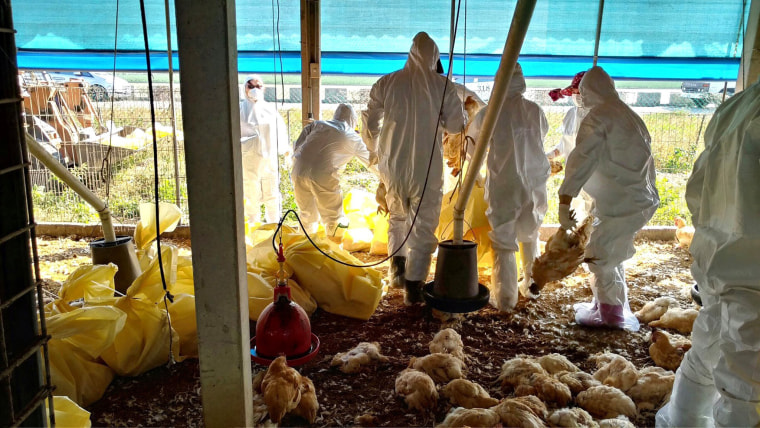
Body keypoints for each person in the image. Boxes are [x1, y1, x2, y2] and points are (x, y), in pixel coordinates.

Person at [655, 77, 760, 427]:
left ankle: (681, 420)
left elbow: (697, 186)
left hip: (719, 262)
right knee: (745, 384)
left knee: (708, 350)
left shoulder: (737, 106)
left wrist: (710, 236)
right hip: (754, 273)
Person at [362, 32, 465, 304]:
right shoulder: (442, 86)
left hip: (393, 165)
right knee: (423, 225)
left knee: (396, 215)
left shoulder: (388, 82)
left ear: (410, 54)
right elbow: (456, 126)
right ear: (434, 58)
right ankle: (413, 288)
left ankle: (396, 272)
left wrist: (376, 152)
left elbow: (369, 122)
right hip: (426, 168)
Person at [557, 66, 659, 331]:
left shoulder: (598, 117)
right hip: (635, 198)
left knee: (599, 254)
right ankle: (607, 305)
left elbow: (582, 160)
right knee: (611, 254)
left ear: (589, 92)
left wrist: (564, 199)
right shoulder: (629, 114)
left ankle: (611, 316)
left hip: (620, 202)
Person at [465, 63, 550, 311]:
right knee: (530, 234)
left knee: (504, 240)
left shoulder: (489, 113)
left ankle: (505, 299)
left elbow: (472, 148)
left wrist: (477, 175)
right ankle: (532, 287)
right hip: (534, 183)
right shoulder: (535, 110)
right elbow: (540, 138)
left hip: (505, 183)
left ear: (498, 81)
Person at [291, 103, 373, 237]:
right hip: (322, 175)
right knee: (333, 218)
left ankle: (303, 251)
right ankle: (332, 252)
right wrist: (387, 179)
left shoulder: (316, 125)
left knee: (307, 215)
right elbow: (371, 161)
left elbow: (297, 147)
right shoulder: (351, 135)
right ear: (353, 120)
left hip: (298, 170)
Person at [239, 74, 290, 225]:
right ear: (244, 88)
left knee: (272, 191)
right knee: (250, 191)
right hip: (248, 159)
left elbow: (280, 129)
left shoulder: (269, 110)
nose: (255, 89)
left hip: (269, 158)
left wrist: (285, 149)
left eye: (258, 86)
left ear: (263, 88)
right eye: (251, 86)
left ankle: (274, 226)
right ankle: (253, 226)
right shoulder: (239, 110)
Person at [547, 71, 593, 219]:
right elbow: (565, 142)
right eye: (574, 91)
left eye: (579, 91)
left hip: (592, 172)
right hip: (572, 170)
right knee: (574, 208)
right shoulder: (571, 114)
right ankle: (574, 238)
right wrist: (551, 154)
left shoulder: (598, 115)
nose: (576, 95)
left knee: (591, 208)